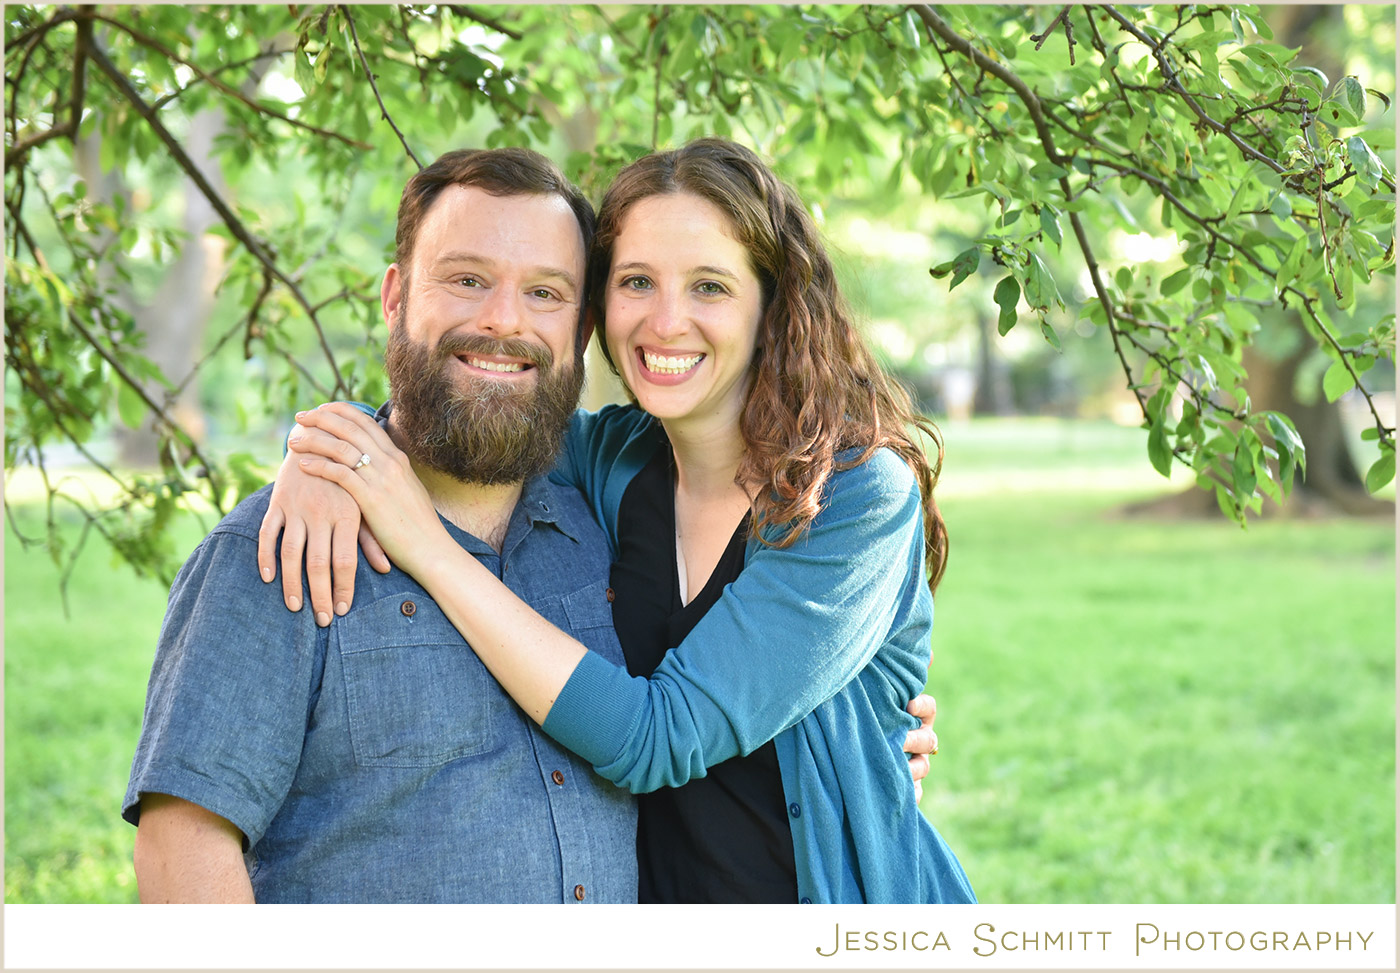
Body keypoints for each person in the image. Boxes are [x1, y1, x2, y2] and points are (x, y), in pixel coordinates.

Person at [269, 138, 974, 903]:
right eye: (637, 281)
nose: (666, 322)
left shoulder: (857, 495)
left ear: (773, 304)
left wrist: (431, 550)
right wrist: (325, 455)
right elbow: (462, 420)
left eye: (709, 286)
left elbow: (656, 736)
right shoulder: (607, 459)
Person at [121, 148, 643, 903]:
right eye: (467, 279)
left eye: (545, 292)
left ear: (584, 329)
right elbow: (182, 851)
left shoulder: (606, 524)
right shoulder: (280, 546)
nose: (504, 318)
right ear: (395, 297)